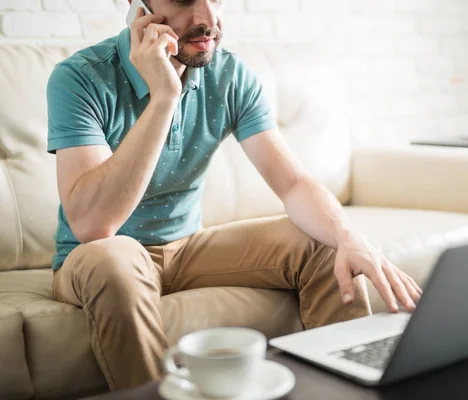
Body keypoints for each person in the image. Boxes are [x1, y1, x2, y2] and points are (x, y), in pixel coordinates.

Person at [47, 0, 422, 390]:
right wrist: (164, 97)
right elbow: (93, 226)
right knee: (114, 259)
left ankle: (352, 389)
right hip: (98, 254)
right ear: (137, 7)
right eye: (184, 1)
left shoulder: (229, 73)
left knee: (324, 241)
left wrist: (348, 236)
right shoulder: (80, 77)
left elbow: (293, 184)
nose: (208, 20)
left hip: (187, 246)